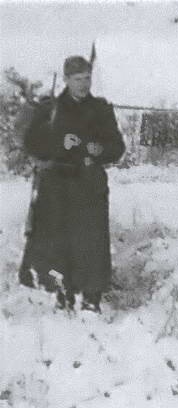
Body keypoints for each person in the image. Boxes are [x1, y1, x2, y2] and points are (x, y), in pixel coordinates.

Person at [19, 55, 126, 313]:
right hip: (58, 187)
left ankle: (91, 299)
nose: (83, 84)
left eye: (87, 78)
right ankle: (62, 295)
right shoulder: (50, 109)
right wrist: (57, 144)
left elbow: (117, 148)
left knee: (91, 244)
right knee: (59, 243)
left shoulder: (101, 109)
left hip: (89, 187)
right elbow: (31, 144)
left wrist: (99, 150)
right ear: (66, 79)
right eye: (77, 79)